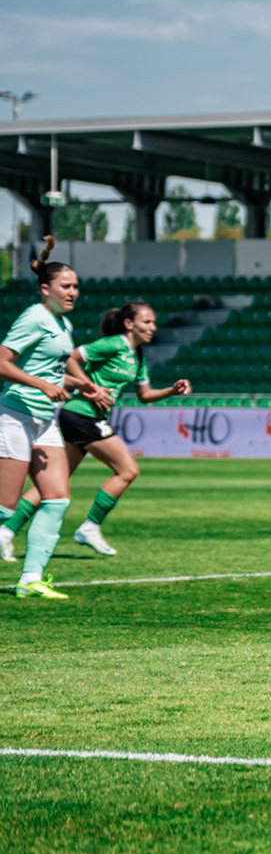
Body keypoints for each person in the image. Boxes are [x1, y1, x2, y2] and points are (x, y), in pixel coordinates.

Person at [0, 299, 192, 562]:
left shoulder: (138, 355)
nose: (153, 328)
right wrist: (90, 388)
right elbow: (72, 357)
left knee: (55, 484)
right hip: (82, 414)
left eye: (154, 323)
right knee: (128, 470)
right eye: (147, 322)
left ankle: (6, 532)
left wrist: (172, 390)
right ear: (129, 324)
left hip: (83, 417)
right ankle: (90, 527)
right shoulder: (112, 344)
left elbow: (144, 395)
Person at [0, 238, 101, 598]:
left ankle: (30, 580)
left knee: (56, 499)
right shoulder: (34, 317)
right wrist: (42, 384)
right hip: (15, 416)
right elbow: (2, 362)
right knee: (4, 508)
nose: (73, 292)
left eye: (75, 286)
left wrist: (82, 385)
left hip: (44, 421)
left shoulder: (61, 323)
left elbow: (52, 370)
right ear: (46, 289)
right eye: (65, 286)